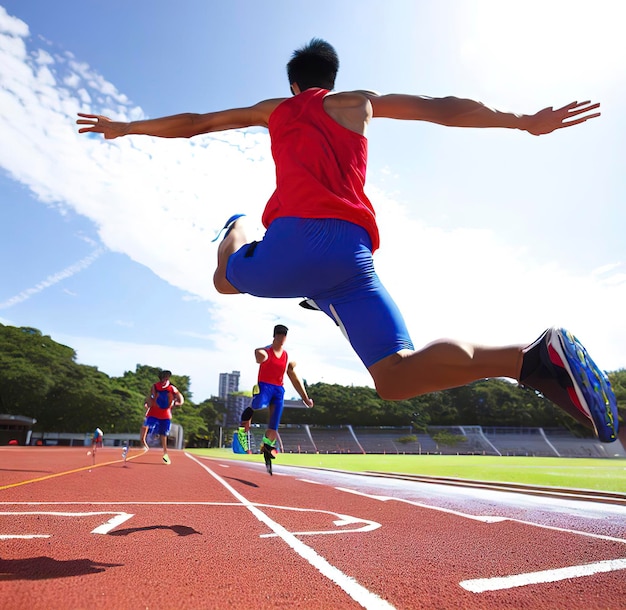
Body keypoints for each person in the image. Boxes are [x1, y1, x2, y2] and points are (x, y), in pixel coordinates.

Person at [76, 38, 618, 444]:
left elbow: (197, 123)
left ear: (294, 85)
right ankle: (528, 360)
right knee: (395, 376)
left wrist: (127, 128)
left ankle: (237, 225)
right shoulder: (358, 102)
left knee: (224, 279)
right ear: (330, 80)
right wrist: (524, 121)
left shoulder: (276, 109)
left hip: (291, 244)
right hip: (351, 255)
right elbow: (442, 107)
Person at [233, 324, 313, 473]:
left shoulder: (287, 357)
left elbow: (294, 378)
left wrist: (305, 398)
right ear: (275, 336)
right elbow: (258, 355)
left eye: (284, 336)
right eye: (280, 336)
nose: (282, 339)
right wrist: (259, 353)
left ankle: (267, 446)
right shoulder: (266, 352)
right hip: (265, 387)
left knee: (274, 425)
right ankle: (242, 431)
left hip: (278, 390)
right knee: (258, 407)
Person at [140, 369, 184, 464]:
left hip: (165, 413)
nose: (164, 380)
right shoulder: (155, 386)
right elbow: (151, 396)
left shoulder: (172, 388)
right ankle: (144, 441)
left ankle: (165, 452)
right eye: (163, 378)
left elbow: (180, 397)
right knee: (146, 425)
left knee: (164, 434)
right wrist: (147, 403)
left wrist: (179, 402)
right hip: (154, 411)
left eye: (166, 378)